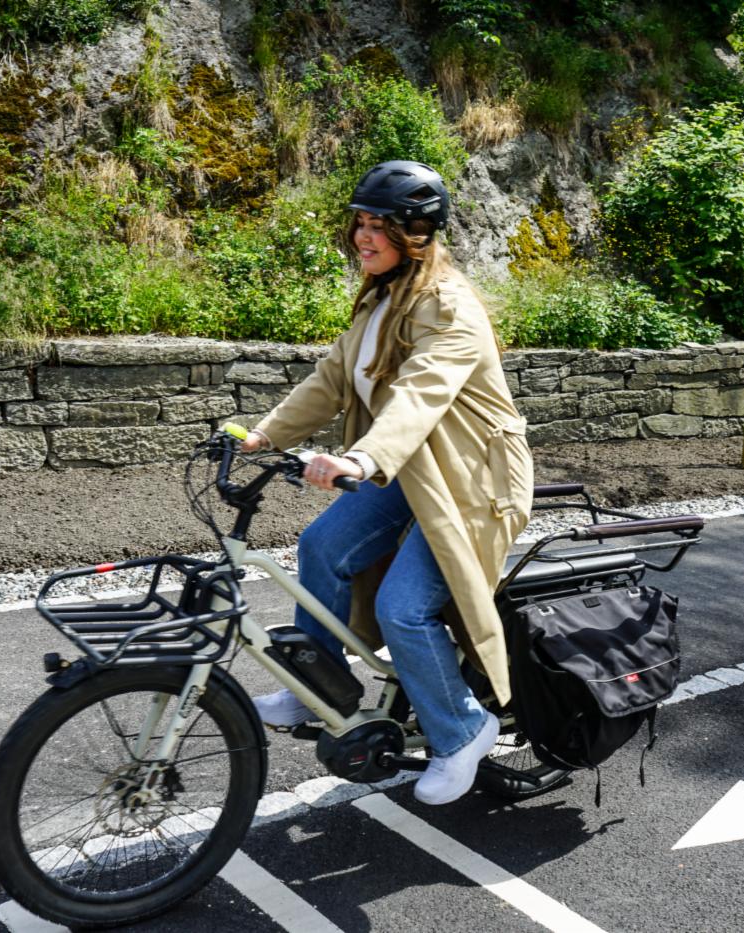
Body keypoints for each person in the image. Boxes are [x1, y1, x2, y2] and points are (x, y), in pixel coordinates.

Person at [238, 160, 533, 805]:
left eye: (380, 226)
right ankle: (316, 690)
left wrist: (361, 459)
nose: (363, 236)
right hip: (413, 466)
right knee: (321, 547)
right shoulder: (381, 298)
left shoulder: (449, 305)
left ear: (416, 234)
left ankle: (463, 729)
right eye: (360, 223)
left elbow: (423, 392)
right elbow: (331, 380)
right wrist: (264, 435)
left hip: (471, 478)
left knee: (404, 606)